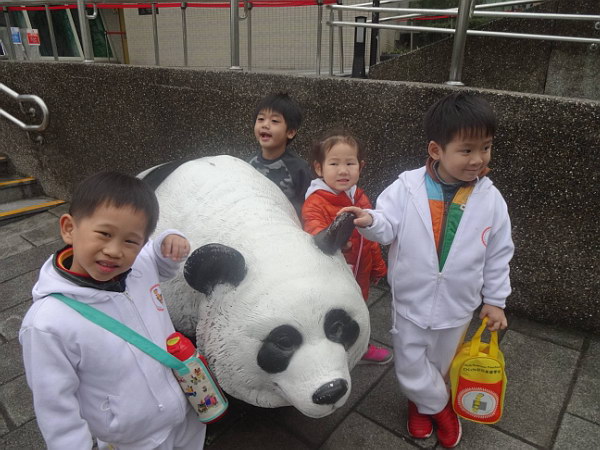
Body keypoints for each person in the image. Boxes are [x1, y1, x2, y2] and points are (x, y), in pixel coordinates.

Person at [340, 92, 514, 448]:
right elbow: (387, 224)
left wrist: (495, 300)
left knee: (440, 363)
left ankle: (420, 405)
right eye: (467, 150)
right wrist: (370, 220)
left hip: (458, 305)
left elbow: (499, 254)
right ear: (436, 150)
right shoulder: (407, 187)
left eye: (486, 148)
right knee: (409, 363)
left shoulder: (491, 199)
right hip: (411, 301)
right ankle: (440, 407)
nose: (478, 159)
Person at [19, 171, 206, 450]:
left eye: (130, 241)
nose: (114, 251)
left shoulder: (139, 265)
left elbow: (158, 258)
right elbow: (55, 407)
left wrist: (170, 239)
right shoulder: (47, 324)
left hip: (187, 410)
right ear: (69, 228)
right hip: (134, 438)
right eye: (104, 234)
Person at [302, 129, 392, 365]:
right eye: (334, 164)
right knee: (332, 312)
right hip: (332, 276)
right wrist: (332, 240)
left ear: (360, 167)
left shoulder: (359, 197)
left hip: (360, 273)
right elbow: (314, 231)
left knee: (358, 309)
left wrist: (377, 265)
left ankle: (360, 348)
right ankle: (329, 354)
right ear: (319, 168)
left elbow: (370, 237)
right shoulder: (316, 202)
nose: (343, 170)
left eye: (350, 163)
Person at [248, 92, 312, 218]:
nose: (265, 125)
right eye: (261, 119)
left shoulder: (300, 169)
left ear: (290, 132)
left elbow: (309, 207)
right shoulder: (248, 164)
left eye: (274, 121)